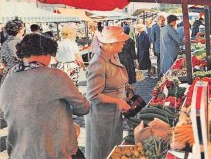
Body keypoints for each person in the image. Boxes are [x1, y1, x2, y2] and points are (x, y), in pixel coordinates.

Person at [0, 33, 90, 159]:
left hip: (20, 153)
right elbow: (83, 108)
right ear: (47, 53)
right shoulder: (56, 76)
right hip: (55, 152)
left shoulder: (7, 80)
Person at [85, 26, 131, 159]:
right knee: (101, 151)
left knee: (113, 147)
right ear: (111, 43)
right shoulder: (98, 63)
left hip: (113, 113)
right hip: (102, 117)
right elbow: (93, 95)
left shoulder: (113, 55)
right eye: (121, 41)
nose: (123, 43)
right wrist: (117, 100)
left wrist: (125, 90)